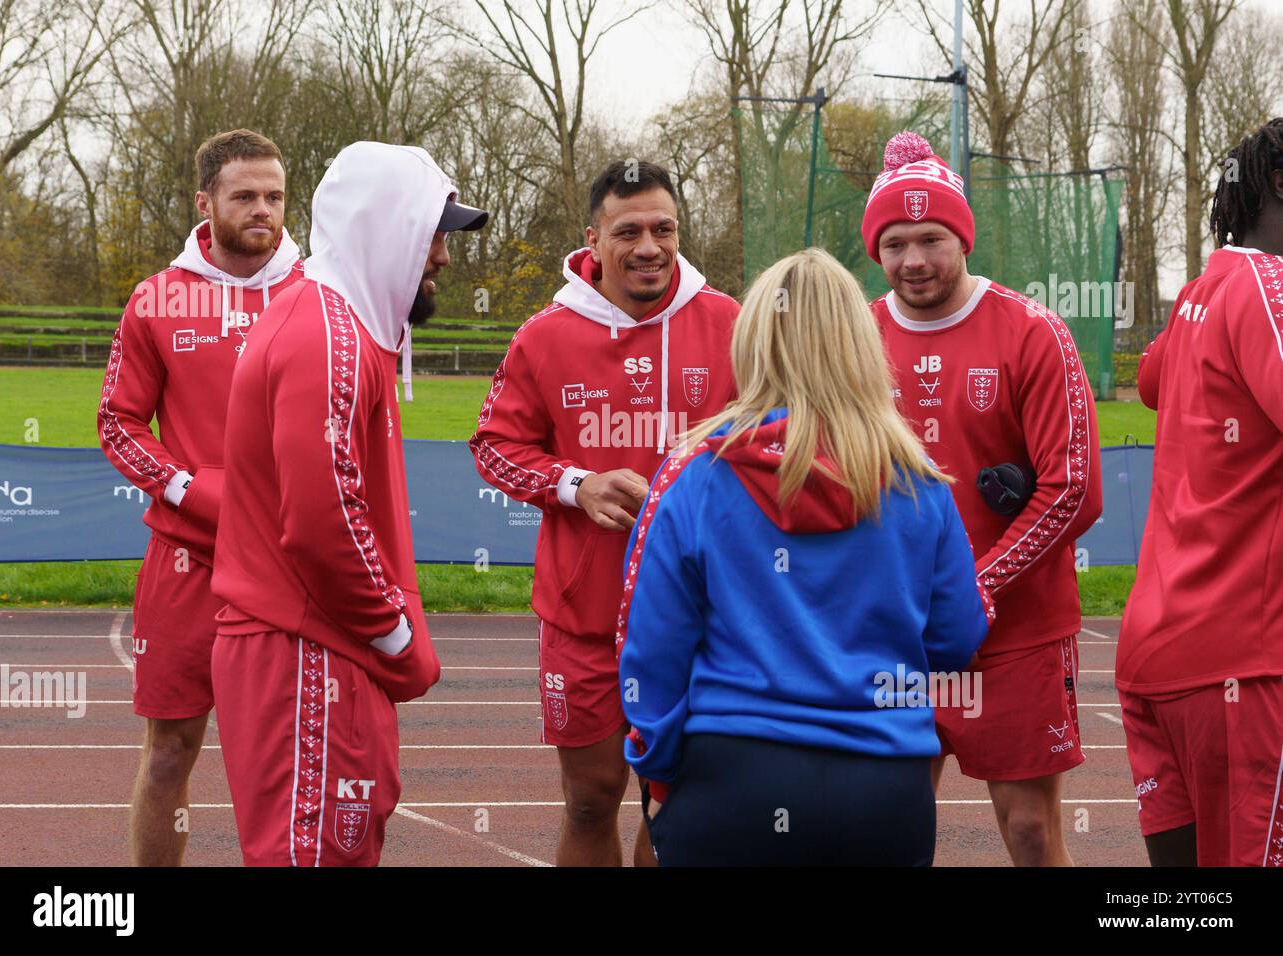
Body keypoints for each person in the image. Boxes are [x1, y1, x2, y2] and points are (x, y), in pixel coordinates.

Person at [617, 247, 988, 866]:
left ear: (756, 341)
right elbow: (956, 640)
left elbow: (649, 649)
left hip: (731, 780)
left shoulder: (695, 474)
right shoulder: (919, 481)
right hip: (884, 790)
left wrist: (657, 774)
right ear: (861, 345)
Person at [208, 142, 486, 866]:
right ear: (385, 225)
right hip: (307, 649)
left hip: (313, 646)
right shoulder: (325, 333)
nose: (443, 258)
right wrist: (395, 635)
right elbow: (323, 517)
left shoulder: (339, 326)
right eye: (433, 233)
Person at [468, 161, 739, 866]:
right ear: (593, 239)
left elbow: (778, 439)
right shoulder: (544, 335)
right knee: (590, 800)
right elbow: (494, 449)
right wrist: (574, 484)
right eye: (629, 231)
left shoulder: (731, 324)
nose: (649, 246)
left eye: (663, 228)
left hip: (703, 619)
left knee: (676, 803)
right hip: (583, 619)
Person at [863, 131, 1102, 866]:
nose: (914, 261)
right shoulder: (856, 338)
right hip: (894, 633)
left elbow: (1074, 489)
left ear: (962, 235)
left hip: (1016, 630)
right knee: (882, 831)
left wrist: (977, 584)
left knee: (1029, 832)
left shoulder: (1033, 332)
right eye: (895, 243)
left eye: (931, 238)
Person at [97, 128, 303, 866]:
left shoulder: (318, 293)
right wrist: (186, 487)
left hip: (290, 564)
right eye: (244, 195)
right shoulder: (156, 298)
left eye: (275, 196)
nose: (263, 210)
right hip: (187, 561)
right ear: (205, 201)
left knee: (289, 756)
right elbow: (117, 423)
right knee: (169, 752)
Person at [1116, 118, 1283, 868]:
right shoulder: (1269, 284)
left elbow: (1150, 379)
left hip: (1154, 649)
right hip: (1242, 657)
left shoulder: (1205, 287)